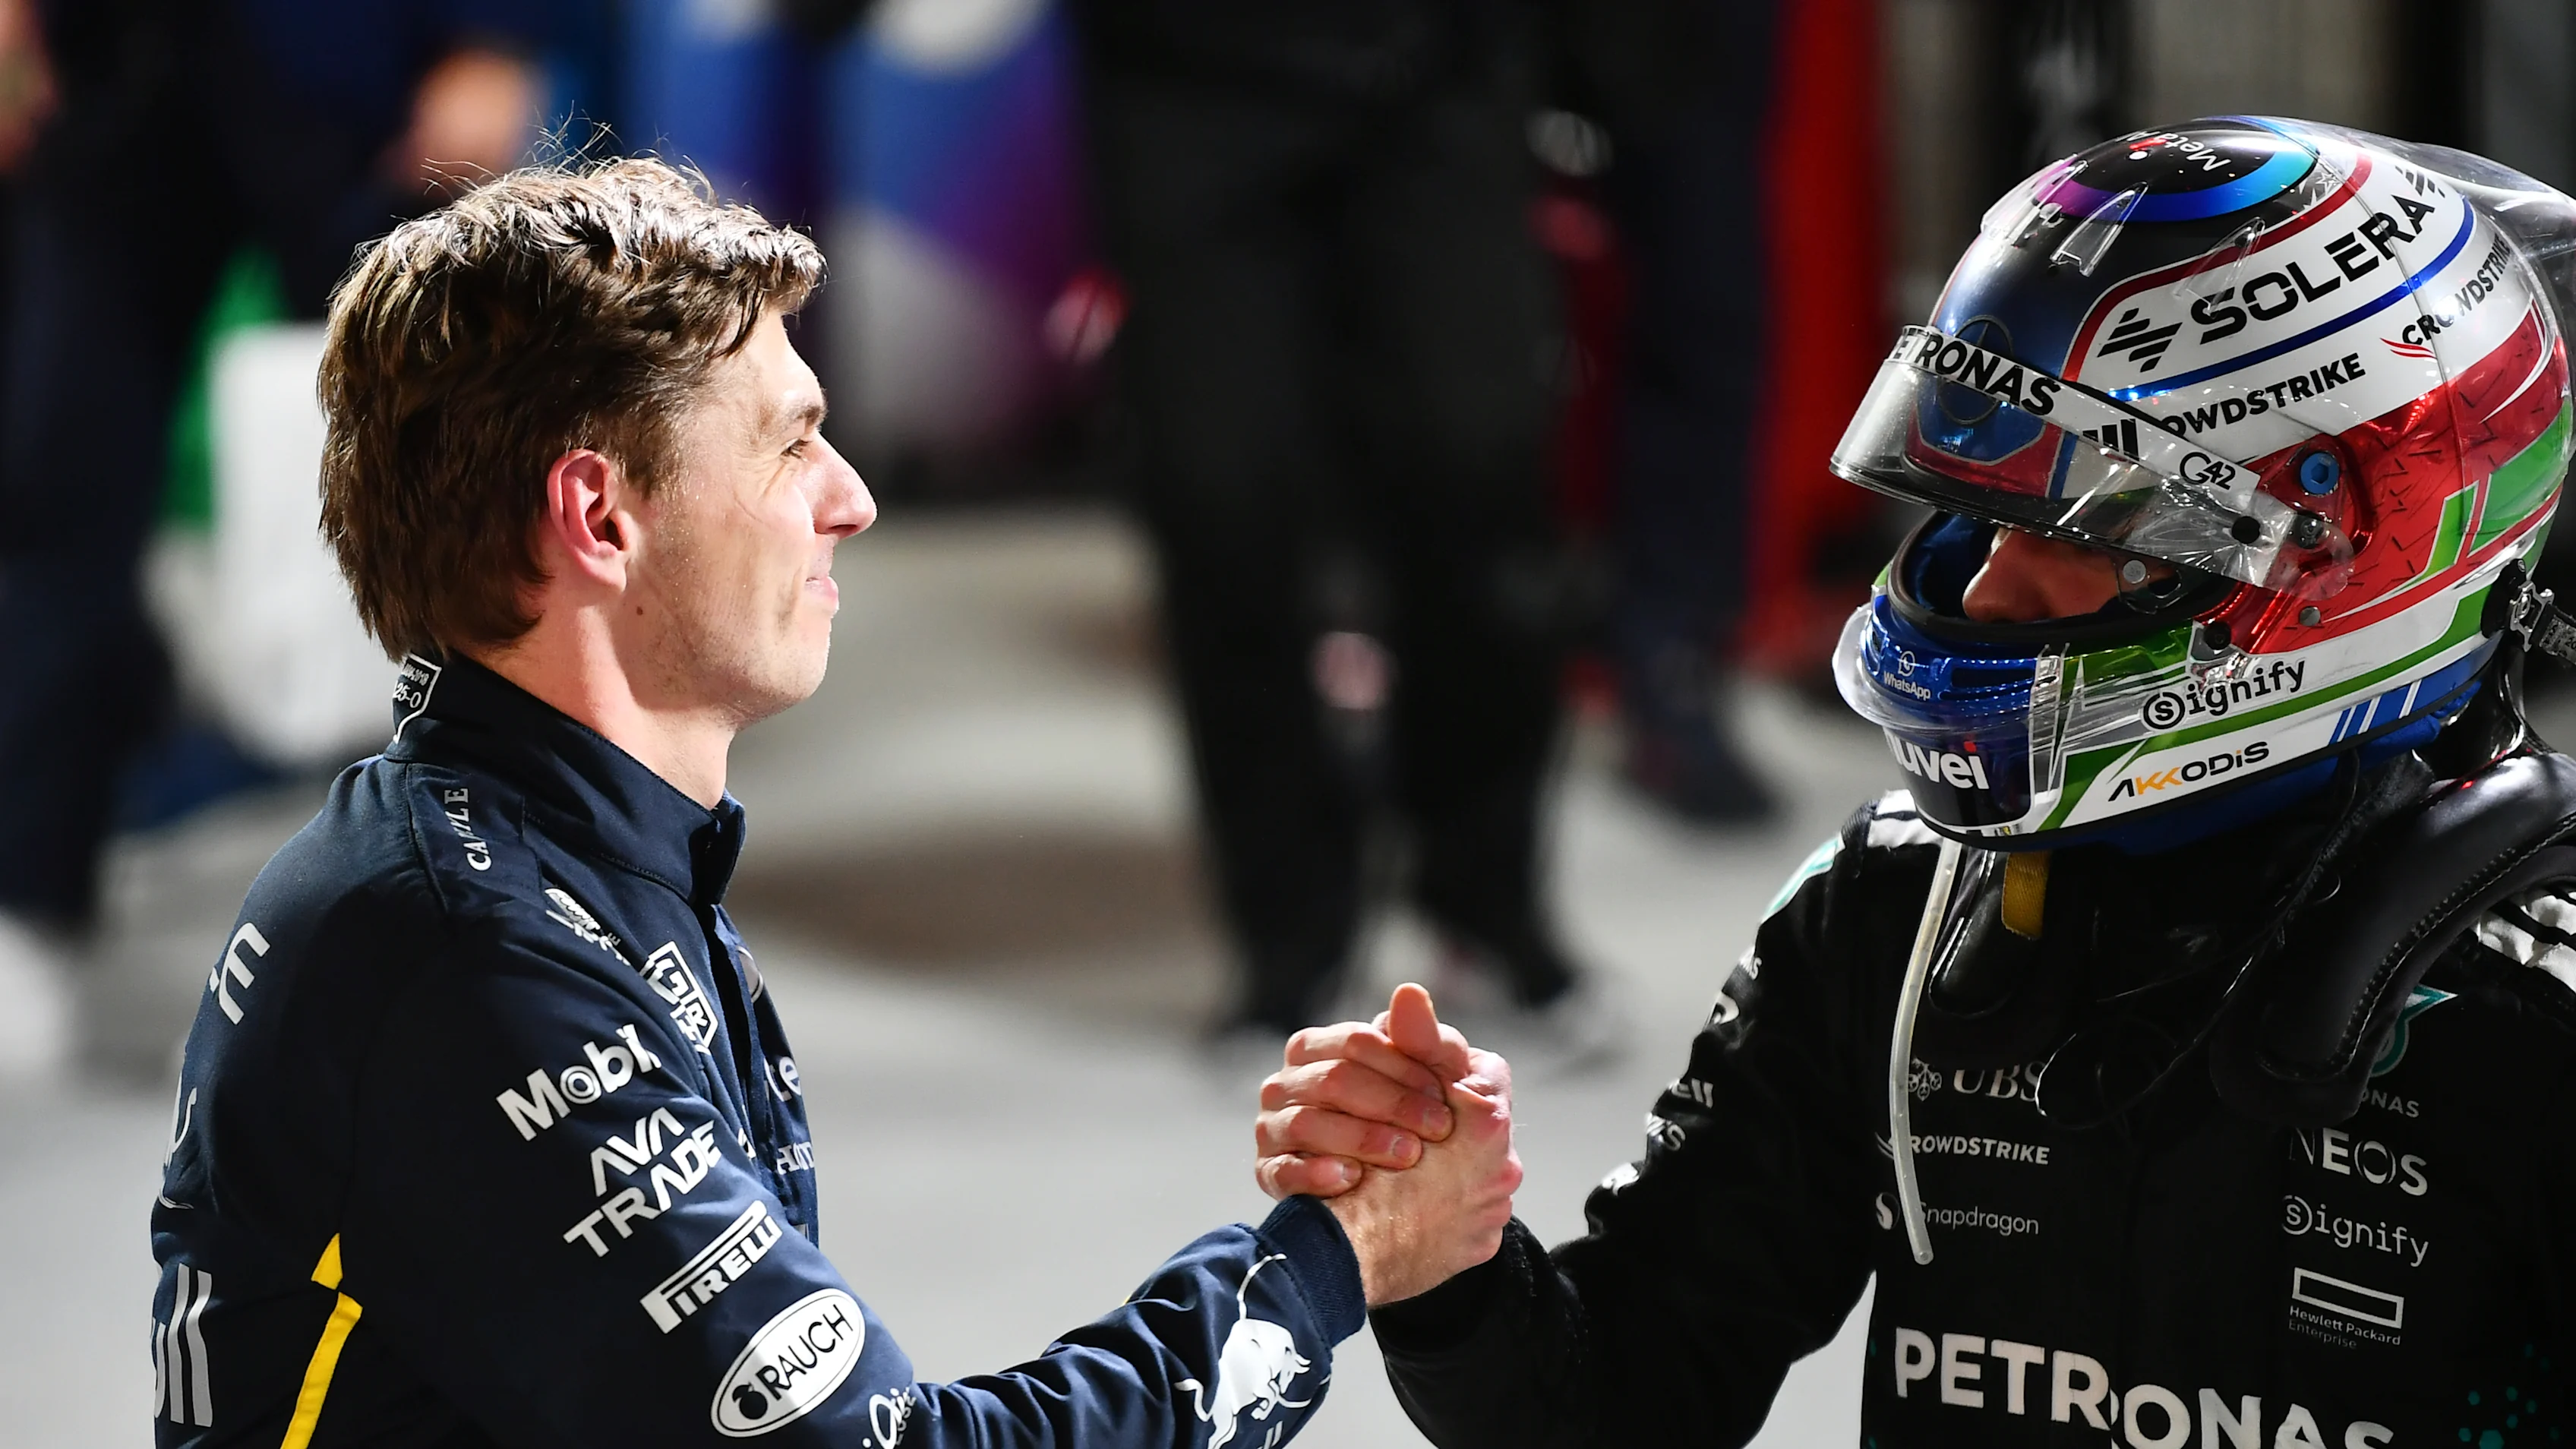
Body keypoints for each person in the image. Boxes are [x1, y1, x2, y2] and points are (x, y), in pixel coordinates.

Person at [147, 159, 1520, 1447]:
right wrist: (1331, 1262)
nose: (851, 500)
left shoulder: (558, 860)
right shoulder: (482, 961)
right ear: (599, 517)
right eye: (789, 445)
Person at [1252, 118, 2576, 1444]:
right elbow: (1619, 1403)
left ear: (2346, 563)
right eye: (1989, 510)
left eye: (2091, 532)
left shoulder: (2537, 1021)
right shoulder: (1891, 912)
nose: (1993, 586)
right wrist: (1451, 1267)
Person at [0, 0, 570, 1077]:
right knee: (58, 491)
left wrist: (501, 38)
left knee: (435, 490)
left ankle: (433, 932)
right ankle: (26, 907)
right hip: (111, 65)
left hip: (355, 63)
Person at [1067, 1, 1618, 1053]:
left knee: (1483, 470)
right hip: (1189, 84)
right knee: (1224, 500)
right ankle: (1287, 940)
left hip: (1443, 71)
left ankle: (1487, 901)